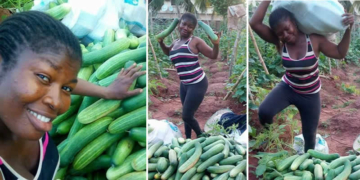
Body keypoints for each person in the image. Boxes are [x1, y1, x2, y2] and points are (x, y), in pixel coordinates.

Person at [0, 11, 144, 179]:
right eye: (43, 77)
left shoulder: (26, 121)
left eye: (66, 89)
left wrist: (106, 91)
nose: (57, 102)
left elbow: (63, 79)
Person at [250, 1, 354, 152]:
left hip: (310, 95)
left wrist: (348, 30)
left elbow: (339, 53)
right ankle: (268, 138)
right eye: (280, 33)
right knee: (264, 111)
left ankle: (308, 160)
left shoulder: (313, 39)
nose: (285, 35)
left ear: (294, 22)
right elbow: (254, 23)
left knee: (309, 135)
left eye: (287, 29)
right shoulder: (280, 41)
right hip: (288, 88)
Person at [157, 13, 221, 139]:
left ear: (193, 29)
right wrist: (161, 42)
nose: (186, 28)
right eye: (184, 24)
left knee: (186, 115)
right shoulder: (175, 42)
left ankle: (201, 137)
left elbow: (213, 55)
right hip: (184, 84)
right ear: (179, 25)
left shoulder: (195, 41)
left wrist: (216, 44)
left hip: (198, 83)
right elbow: (168, 52)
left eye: (190, 26)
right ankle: (187, 138)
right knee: (187, 114)